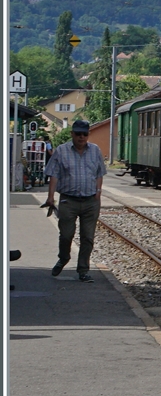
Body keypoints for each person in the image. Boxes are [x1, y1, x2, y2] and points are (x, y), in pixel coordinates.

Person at [43, 119, 105, 282]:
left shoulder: (95, 150)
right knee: (66, 234)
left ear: (88, 135)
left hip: (91, 200)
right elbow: (54, 174)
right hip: (68, 201)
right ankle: (63, 258)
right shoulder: (62, 151)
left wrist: (98, 191)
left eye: (84, 134)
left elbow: (99, 173)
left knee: (88, 237)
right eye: (78, 134)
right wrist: (51, 197)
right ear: (72, 134)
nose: (81, 137)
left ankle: (83, 270)